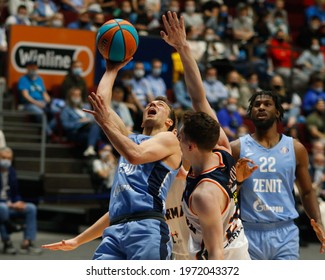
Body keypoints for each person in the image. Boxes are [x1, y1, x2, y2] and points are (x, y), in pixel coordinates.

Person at [42, 57, 182, 259]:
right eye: (150, 103)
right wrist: (111, 70)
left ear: (169, 122)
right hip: (115, 231)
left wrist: (105, 124)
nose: (153, 103)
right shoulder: (129, 139)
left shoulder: (169, 140)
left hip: (147, 228)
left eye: (160, 105)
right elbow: (103, 106)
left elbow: (135, 155)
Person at [161, 11, 253, 260]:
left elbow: (217, 255)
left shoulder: (204, 195)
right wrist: (182, 47)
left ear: (191, 146)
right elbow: (198, 96)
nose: (175, 139)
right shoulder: (221, 147)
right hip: (237, 245)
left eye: (179, 137)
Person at [230, 90, 325, 260]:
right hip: (248, 230)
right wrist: (237, 182)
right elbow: (226, 194)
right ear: (250, 113)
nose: (261, 107)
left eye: (267, 104)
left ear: (278, 112)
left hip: (285, 232)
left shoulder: (296, 148)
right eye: (256, 105)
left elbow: (307, 192)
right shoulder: (237, 148)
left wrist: (318, 221)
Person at [0, 147, 42, 255]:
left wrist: (18, 202)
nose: (6, 161)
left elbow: (16, 193)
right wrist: (9, 204)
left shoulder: (11, 171)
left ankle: (27, 243)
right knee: (2, 209)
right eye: (3, 158)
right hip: (3, 206)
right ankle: (7, 241)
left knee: (31, 208)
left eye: (9, 158)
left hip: (10, 205)